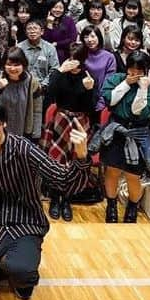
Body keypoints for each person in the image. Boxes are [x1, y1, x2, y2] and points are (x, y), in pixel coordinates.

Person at [0, 96, 91, 300]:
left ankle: (16, 266)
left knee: (23, 273)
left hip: (26, 222)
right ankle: (0, 262)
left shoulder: (24, 149)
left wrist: (81, 157)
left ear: (4, 123)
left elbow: (62, 180)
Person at [96, 50, 150, 223]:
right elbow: (110, 101)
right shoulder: (116, 79)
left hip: (138, 134)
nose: (134, 73)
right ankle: (111, 205)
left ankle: (132, 207)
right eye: (131, 69)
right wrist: (126, 83)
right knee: (111, 171)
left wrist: (142, 89)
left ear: (147, 71)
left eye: (139, 70)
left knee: (134, 175)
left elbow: (138, 112)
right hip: (116, 131)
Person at [39, 43, 97, 222]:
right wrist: (59, 71)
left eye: (78, 60)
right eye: (72, 59)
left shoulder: (87, 76)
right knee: (57, 161)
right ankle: (55, 197)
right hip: (61, 119)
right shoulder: (61, 74)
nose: (74, 64)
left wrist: (90, 90)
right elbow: (49, 96)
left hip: (80, 122)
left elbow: (91, 107)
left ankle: (68, 199)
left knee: (75, 162)